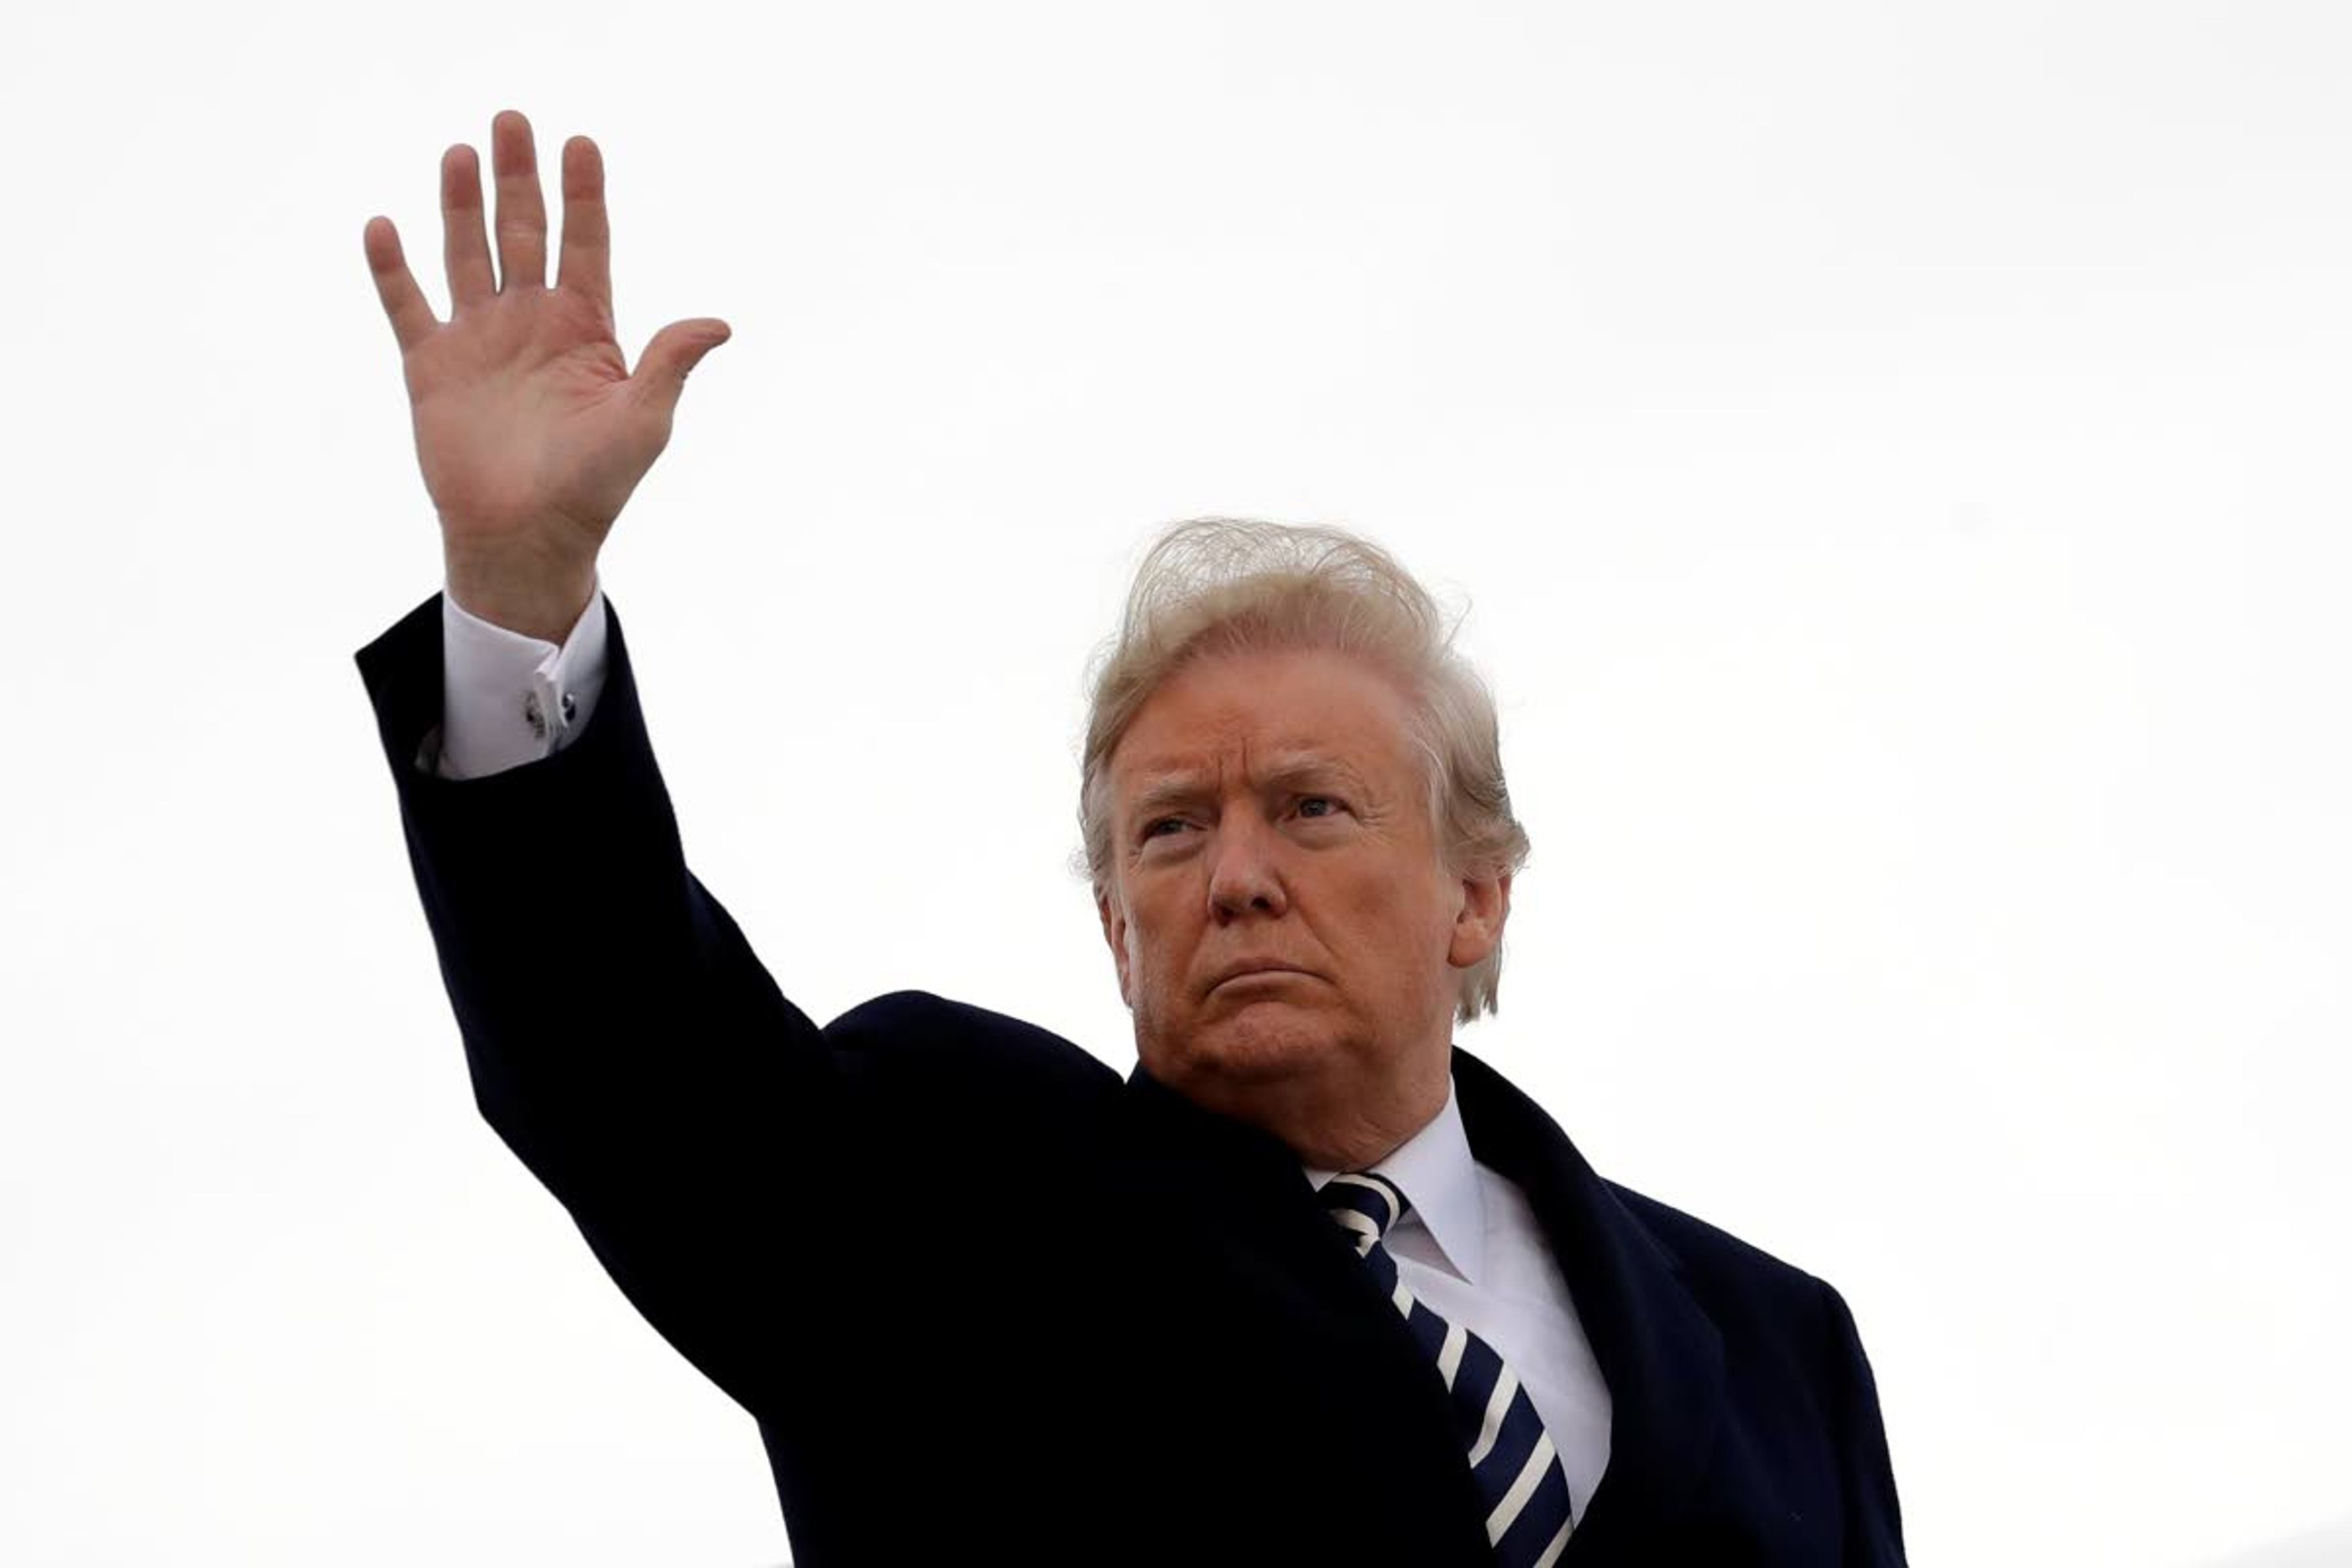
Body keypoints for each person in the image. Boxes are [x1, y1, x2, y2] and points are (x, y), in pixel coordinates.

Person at [355, 110, 1909, 1567]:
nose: (1236, 875)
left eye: (1310, 806)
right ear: (1114, 923)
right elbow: (627, 1060)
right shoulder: (959, 1193)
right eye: (1170, 831)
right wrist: (518, 586)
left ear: (1476, 895)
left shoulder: (1776, 1342)